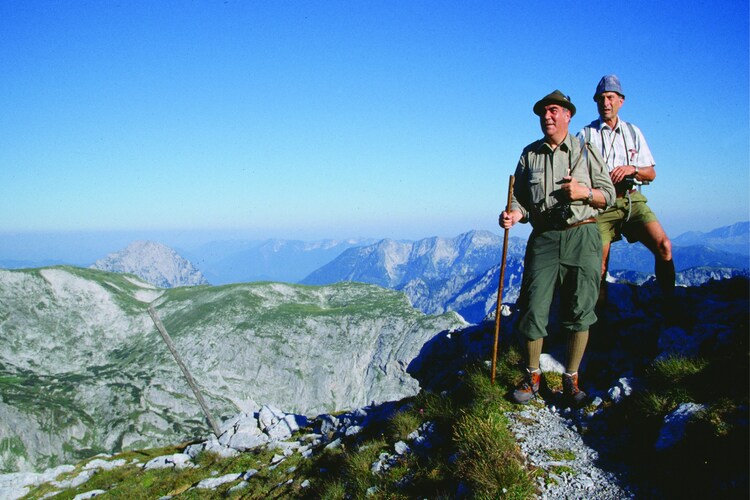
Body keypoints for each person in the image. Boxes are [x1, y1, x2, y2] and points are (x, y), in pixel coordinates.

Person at [500, 90, 615, 406]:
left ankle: (571, 379)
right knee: (534, 307)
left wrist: (583, 192)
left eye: (553, 111)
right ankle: (533, 376)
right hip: (545, 238)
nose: (547, 117)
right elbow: (519, 198)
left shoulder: (584, 151)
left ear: (568, 115)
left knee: (581, 309)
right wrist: (514, 213)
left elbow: (609, 195)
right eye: (542, 113)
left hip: (583, 235)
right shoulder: (529, 155)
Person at [578, 75, 674, 299]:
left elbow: (651, 173)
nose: (605, 103)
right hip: (601, 205)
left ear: (621, 100)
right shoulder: (586, 135)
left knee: (664, 246)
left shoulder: (633, 132)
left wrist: (632, 169)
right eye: (601, 98)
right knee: (599, 268)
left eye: (610, 97)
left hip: (631, 199)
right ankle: (598, 323)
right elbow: (574, 172)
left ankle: (670, 303)